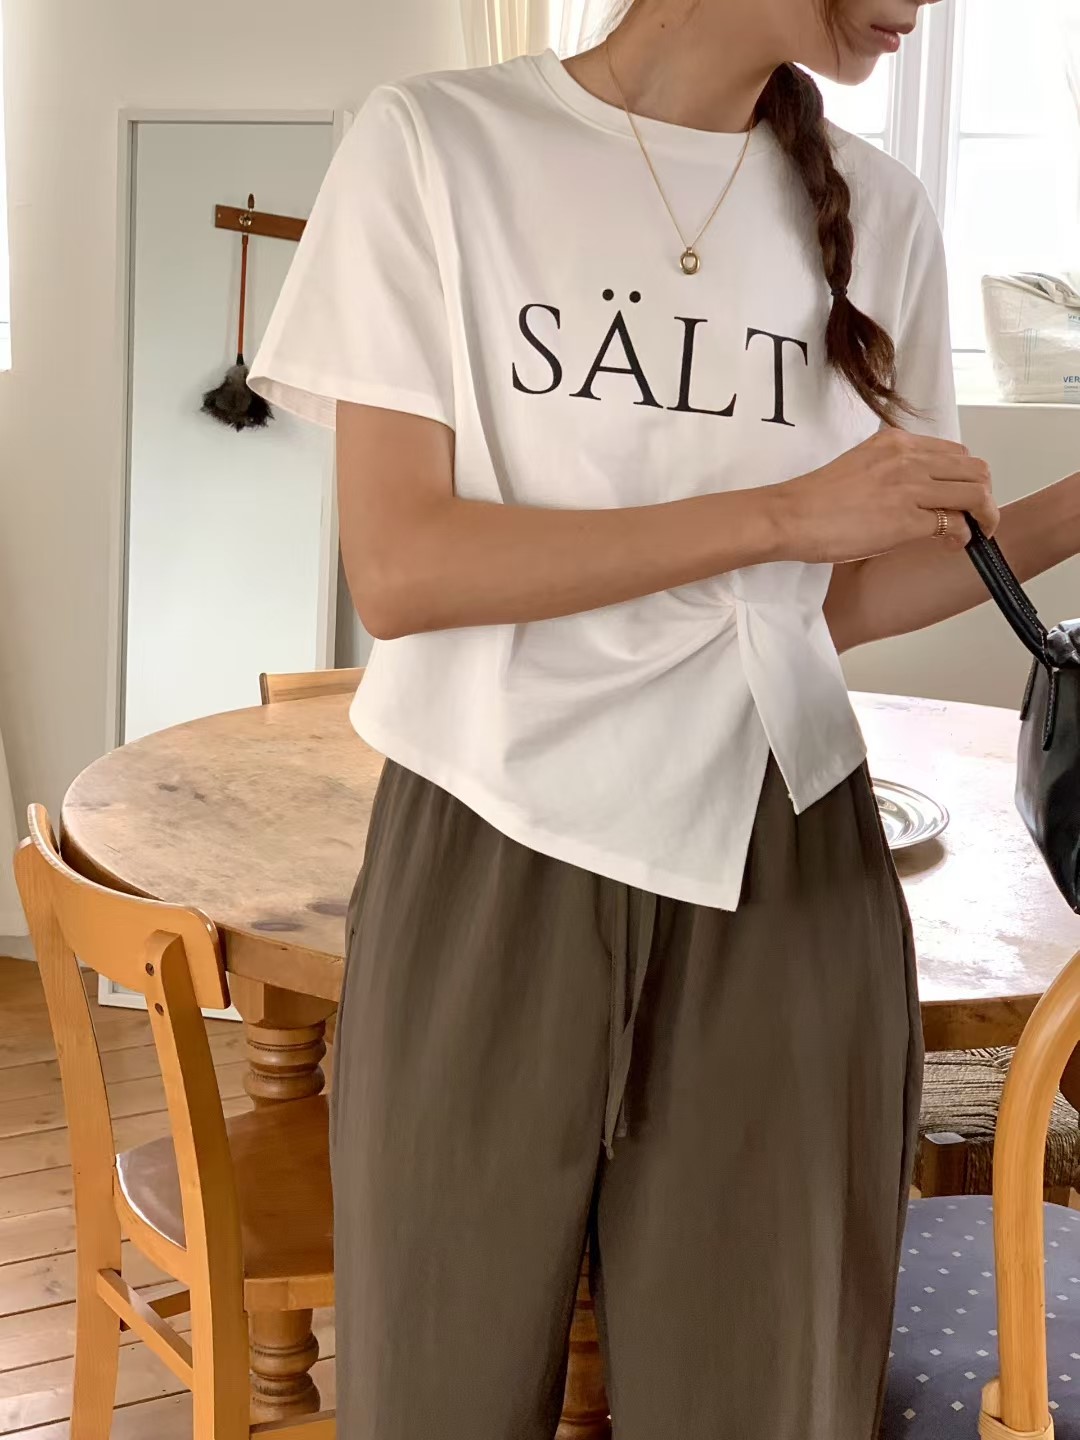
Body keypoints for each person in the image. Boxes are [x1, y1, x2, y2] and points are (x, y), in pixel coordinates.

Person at [249, 2, 1080, 1435]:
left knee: (767, 1397)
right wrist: (783, 513)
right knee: (435, 1389)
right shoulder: (441, 146)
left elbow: (833, 605)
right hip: (492, 835)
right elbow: (403, 570)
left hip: (790, 860)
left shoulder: (883, 211)